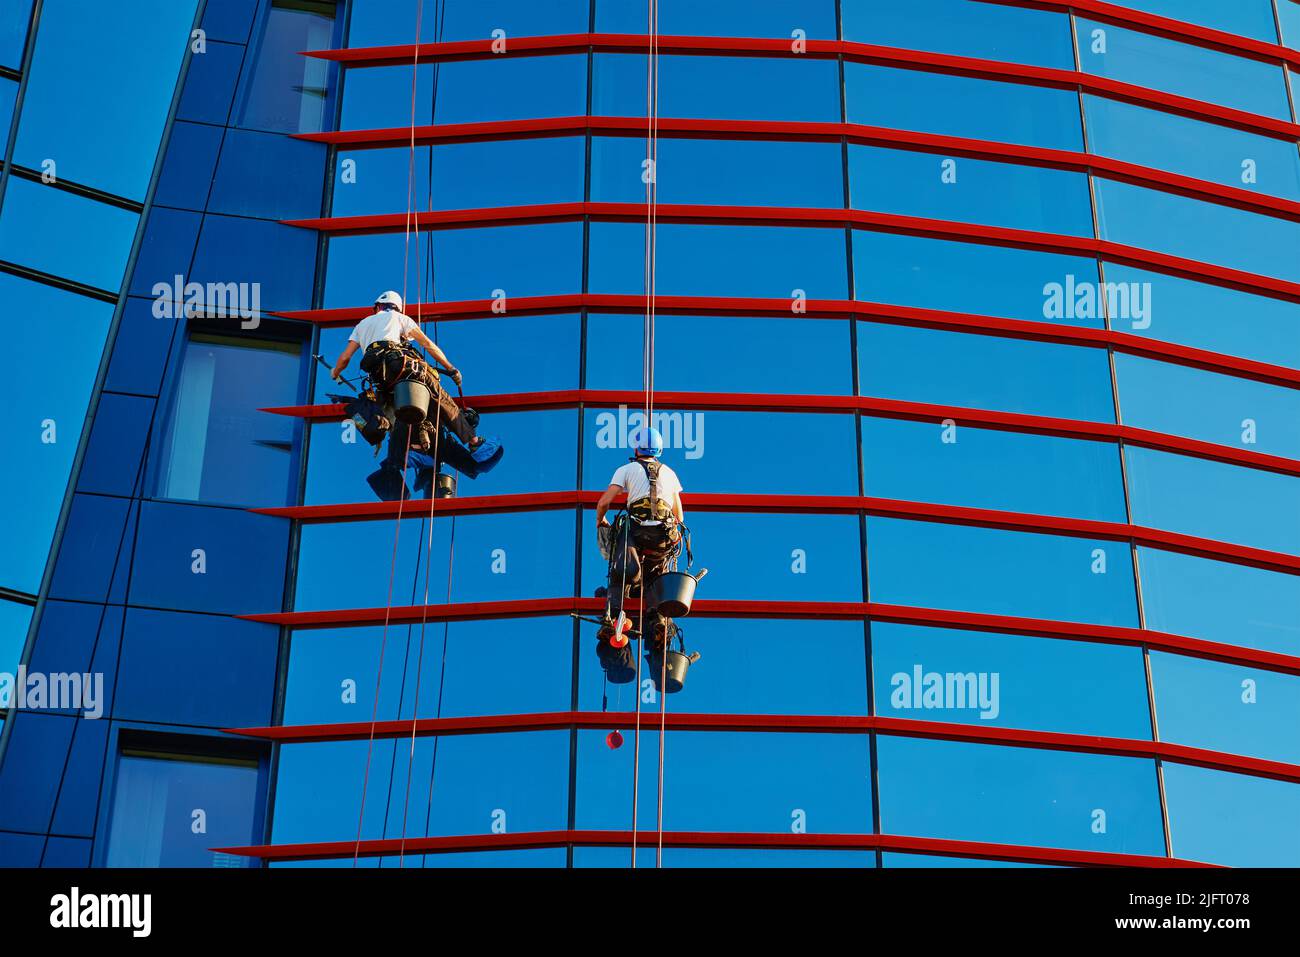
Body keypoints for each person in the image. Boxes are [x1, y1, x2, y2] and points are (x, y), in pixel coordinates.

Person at [330, 290, 484, 472]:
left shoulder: (363, 324)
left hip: (380, 378)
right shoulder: (400, 318)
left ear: (378, 306)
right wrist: (451, 368)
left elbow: (345, 357)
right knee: (439, 397)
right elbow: (427, 344)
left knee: (397, 413)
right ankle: (474, 442)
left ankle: (410, 452)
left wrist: (335, 372)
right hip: (400, 366)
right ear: (396, 307)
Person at [593, 426, 685, 672]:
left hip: (637, 532)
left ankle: (612, 616)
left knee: (620, 570)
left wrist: (601, 521)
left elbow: (603, 502)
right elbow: (679, 516)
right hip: (664, 536)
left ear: (637, 449)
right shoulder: (671, 473)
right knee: (656, 577)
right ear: (659, 450)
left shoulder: (627, 469)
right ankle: (658, 621)